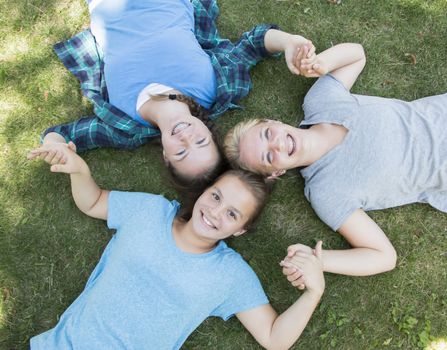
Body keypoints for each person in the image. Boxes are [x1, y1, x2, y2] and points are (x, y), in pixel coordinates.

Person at [28, 143, 325, 349]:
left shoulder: (230, 274)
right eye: (216, 197)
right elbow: (93, 202)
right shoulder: (151, 211)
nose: (215, 212)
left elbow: (274, 338)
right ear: (204, 192)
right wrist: (79, 170)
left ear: (241, 230)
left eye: (232, 214)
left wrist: (314, 292)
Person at [39, 0, 316, 190]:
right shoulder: (213, 88)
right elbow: (254, 44)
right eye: (200, 141)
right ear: (207, 130)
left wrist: (57, 146)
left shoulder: (123, 128)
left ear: (166, 157)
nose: (185, 137)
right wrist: (290, 42)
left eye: (182, 151)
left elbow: (62, 135)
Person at [223, 42, 447, 277]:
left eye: (267, 134)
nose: (278, 144)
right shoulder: (325, 193)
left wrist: (323, 62)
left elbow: (357, 55)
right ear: (275, 173)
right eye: (268, 156)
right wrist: (317, 260)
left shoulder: (320, 101)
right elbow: (383, 256)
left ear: (272, 121)